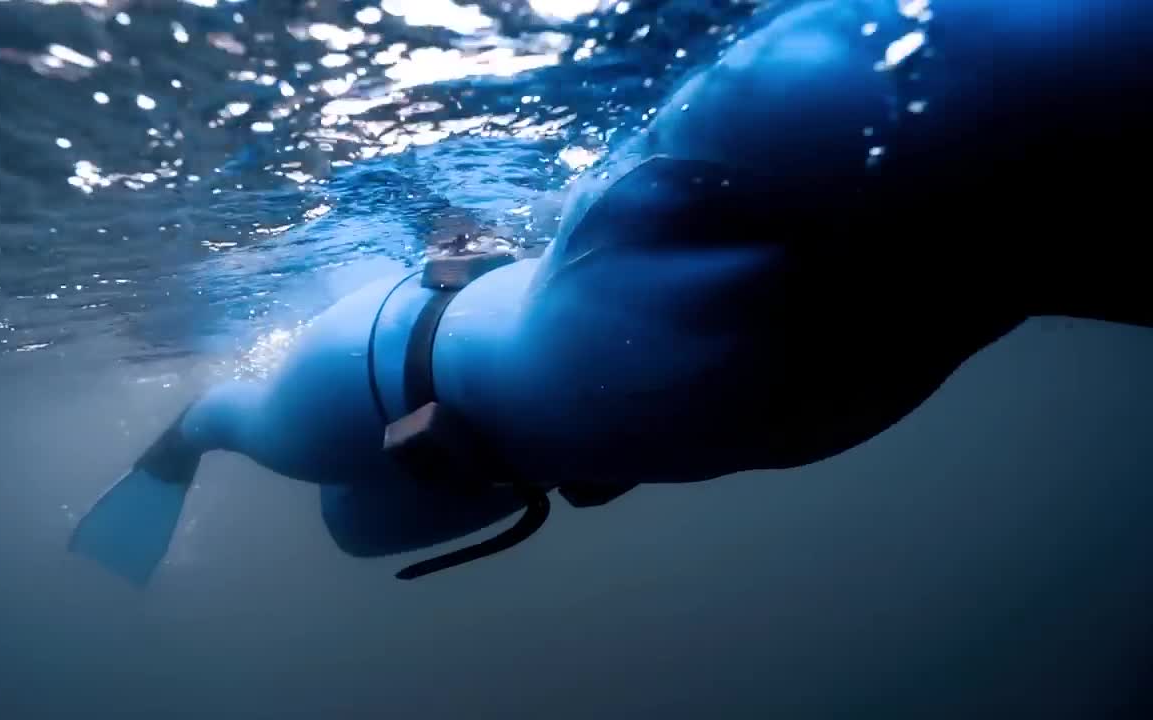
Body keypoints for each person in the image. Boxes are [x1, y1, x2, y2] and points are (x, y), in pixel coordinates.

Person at [70, 0, 1153, 585]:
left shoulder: (359, 435)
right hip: (587, 355)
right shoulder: (373, 413)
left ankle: (175, 450)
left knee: (981, 236)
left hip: (644, 384)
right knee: (955, 169)